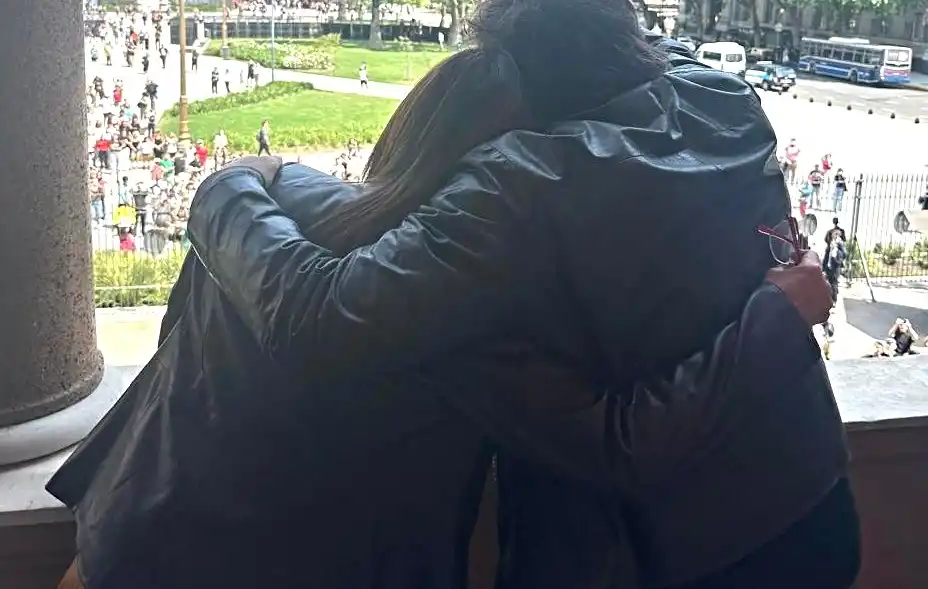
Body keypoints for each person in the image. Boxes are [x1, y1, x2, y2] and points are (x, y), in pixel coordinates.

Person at [51, 47, 839, 589]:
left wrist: (227, 182)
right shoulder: (483, 302)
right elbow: (618, 438)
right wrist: (776, 312)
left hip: (138, 533)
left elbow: (177, 342)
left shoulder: (278, 199)